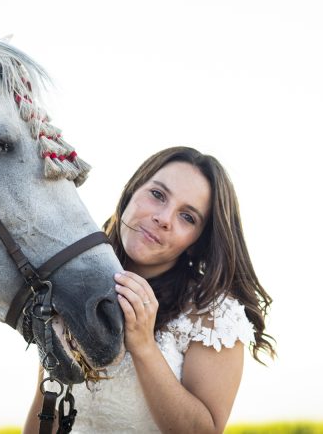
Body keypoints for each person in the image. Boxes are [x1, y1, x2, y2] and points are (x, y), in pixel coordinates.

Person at [23, 146, 275, 433]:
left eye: (188, 217)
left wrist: (143, 345)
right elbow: (46, 414)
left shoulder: (214, 315)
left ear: (196, 241)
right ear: (131, 191)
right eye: (157, 195)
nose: (164, 218)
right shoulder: (75, 284)